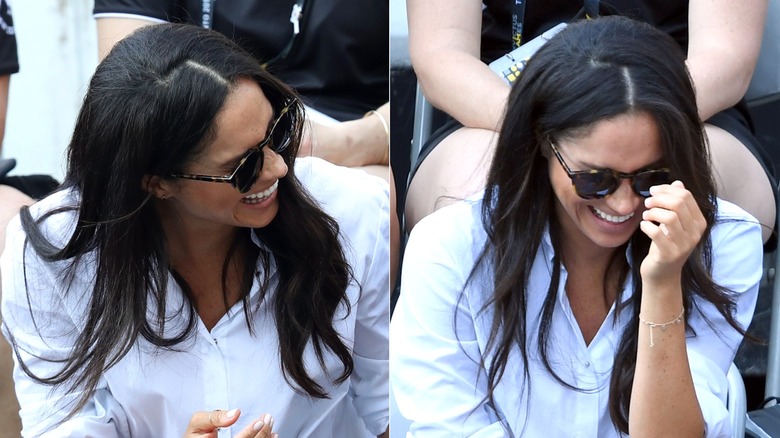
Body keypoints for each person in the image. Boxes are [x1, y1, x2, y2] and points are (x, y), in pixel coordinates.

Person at [1, 23, 389, 437]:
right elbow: (62, 424)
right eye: (243, 166)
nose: (278, 166)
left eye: (278, 131)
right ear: (157, 182)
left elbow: (387, 411)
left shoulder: (350, 212)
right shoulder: (51, 253)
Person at [391, 16, 762, 437]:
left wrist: (663, 285)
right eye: (594, 179)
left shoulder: (723, 241)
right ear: (541, 147)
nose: (623, 203)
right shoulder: (451, 247)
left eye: (650, 178)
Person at [404, 0, 776, 245]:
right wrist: (541, 123)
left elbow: (726, 58)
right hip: (499, 111)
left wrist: (636, 126)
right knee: (475, 202)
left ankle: (677, 358)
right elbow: (441, 55)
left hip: (683, 109)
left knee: (707, 201)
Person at [92, 0, 390, 181]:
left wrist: (347, 143)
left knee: (373, 197)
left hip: (353, 147)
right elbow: (131, 85)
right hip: (202, 137)